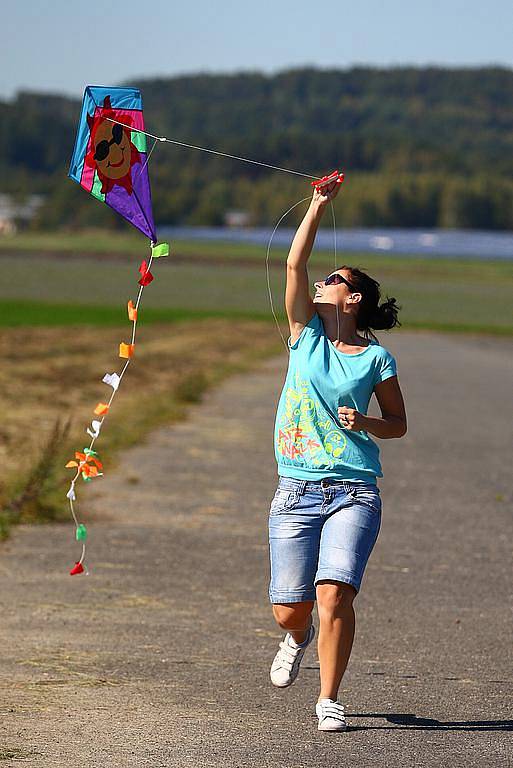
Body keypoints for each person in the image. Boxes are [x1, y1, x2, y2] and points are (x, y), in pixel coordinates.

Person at [268, 179, 407, 732]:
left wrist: (367, 422)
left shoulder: (378, 359)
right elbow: (295, 266)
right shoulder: (304, 336)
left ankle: (328, 699)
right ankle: (294, 637)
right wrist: (318, 204)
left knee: (335, 595)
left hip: (354, 491)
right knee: (289, 608)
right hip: (296, 487)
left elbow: (398, 425)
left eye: (336, 281)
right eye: (326, 279)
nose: (323, 283)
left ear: (353, 301)